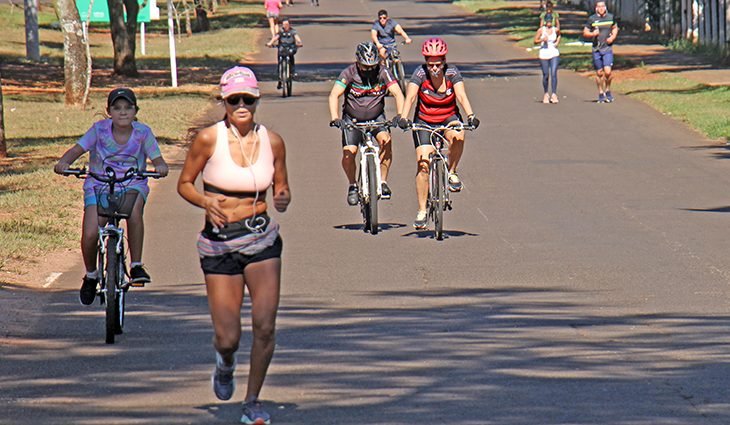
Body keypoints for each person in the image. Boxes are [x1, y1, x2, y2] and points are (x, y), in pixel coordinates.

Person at [177, 66, 290, 425]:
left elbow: (281, 186)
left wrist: (283, 196)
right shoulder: (209, 140)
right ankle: (225, 364)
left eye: (248, 99)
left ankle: (252, 400)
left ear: (256, 100)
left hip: (261, 238)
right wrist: (205, 203)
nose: (241, 105)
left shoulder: (273, 141)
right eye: (234, 99)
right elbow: (185, 183)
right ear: (224, 101)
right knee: (228, 337)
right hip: (220, 243)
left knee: (265, 325)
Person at [54, 88, 169, 305]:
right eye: (117, 108)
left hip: (132, 184)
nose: (123, 112)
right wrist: (64, 162)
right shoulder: (99, 131)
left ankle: (136, 266)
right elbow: (77, 149)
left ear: (136, 111)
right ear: (109, 112)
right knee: (90, 232)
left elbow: (157, 158)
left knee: (134, 213)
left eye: (128, 107)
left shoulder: (143, 133)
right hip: (99, 185)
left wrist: (161, 166)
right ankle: (90, 275)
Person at [397, 38, 479, 229]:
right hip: (424, 120)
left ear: (444, 61)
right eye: (430, 63)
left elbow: (461, 96)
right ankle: (422, 210)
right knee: (423, 163)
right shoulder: (419, 74)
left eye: (438, 63)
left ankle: (451, 172)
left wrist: (471, 115)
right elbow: (410, 98)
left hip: (448, 116)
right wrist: (403, 117)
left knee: (459, 134)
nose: (434, 68)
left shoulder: (452, 73)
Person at [328, 41, 405, 205]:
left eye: (372, 66)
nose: (369, 70)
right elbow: (334, 94)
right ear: (358, 62)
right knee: (349, 153)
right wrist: (335, 118)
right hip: (352, 120)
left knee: (386, 141)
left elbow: (398, 93)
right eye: (365, 67)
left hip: (377, 117)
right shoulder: (348, 73)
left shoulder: (383, 72)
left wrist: (401, 115)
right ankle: (352, 185)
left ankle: (383, 182)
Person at [583, 0, 618, 103]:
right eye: (599, 6)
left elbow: (615, 27)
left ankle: (608, 89)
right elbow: (585, 32)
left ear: (605, 7)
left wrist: (613, 37)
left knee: (608, 72)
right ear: (596, 8)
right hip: (596, 49)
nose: (601, 8)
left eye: (603, 6)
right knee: (599, 73)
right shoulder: (592, 19)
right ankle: (600, 92)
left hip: (607, 48)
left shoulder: (610, 17)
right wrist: (593, 34)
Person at [266, 17, 303, 89]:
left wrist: (299, 42)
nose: (285, 26)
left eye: (287, 24)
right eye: (284, 24)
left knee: (291, 58)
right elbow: (276, 37)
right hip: (282, 48)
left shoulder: (293, 31)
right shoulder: (280, 31)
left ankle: (292, 72)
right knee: (280, 61)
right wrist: (270, 43)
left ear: (289, 24)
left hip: (290, 48)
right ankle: (280, 78)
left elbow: (297, 38)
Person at [534, 13, 561, 104]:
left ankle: (554, 94)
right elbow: (535, 41)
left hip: (554, 52)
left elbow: (559, 35)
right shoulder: (541, 30)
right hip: (544, 53)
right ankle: (546, 93)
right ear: (545, 21)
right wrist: (542, 40)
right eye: (547, 21)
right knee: (546, 75)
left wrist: (557, 42)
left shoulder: (555, 30)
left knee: (553, 73)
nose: (549, 23)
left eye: (550, 21)